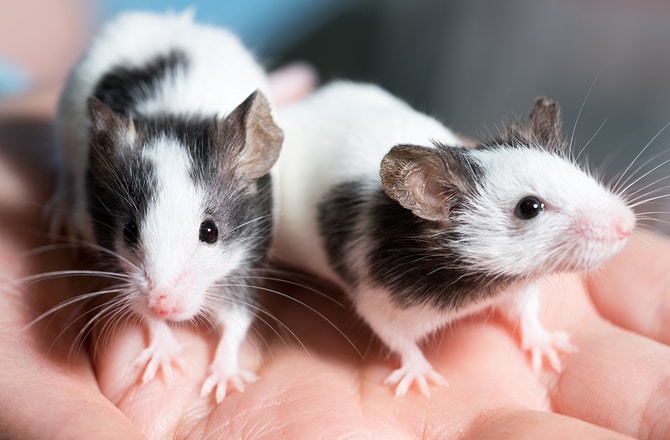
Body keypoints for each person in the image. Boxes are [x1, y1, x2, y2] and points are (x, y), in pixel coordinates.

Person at [1, 67, 669, 439]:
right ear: (433, 199)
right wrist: (406, 351)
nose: (614, 225)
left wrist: (528, 317)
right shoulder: (402, 273)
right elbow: (384, 306)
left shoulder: (509, 260)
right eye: (529, 210)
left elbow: (523, 274)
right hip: (322, 138)